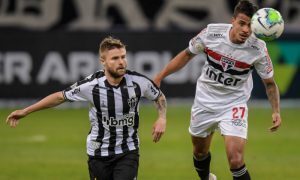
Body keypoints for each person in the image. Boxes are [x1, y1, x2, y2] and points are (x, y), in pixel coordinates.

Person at [6, 36, 167, 180]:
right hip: (98, 153)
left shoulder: (139, 82)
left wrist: (162, 117)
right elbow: (59, 97)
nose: (121, 62)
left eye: (123, 57)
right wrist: (25, 111)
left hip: (128, 151)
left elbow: (159, 97)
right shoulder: (91, 85)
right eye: (115, 58)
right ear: (103, 61)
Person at [154, 0, 281, 180]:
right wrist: (160, 76)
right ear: (233, 20)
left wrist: (276, 111)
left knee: (236, 160)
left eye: (250, 26)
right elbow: (186, 54)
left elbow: (269, 83)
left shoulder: (258, 49)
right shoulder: (212, 33)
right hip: (204, 101)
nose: (246, 30)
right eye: (242, 23)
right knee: (199, 152)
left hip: (234, 104)